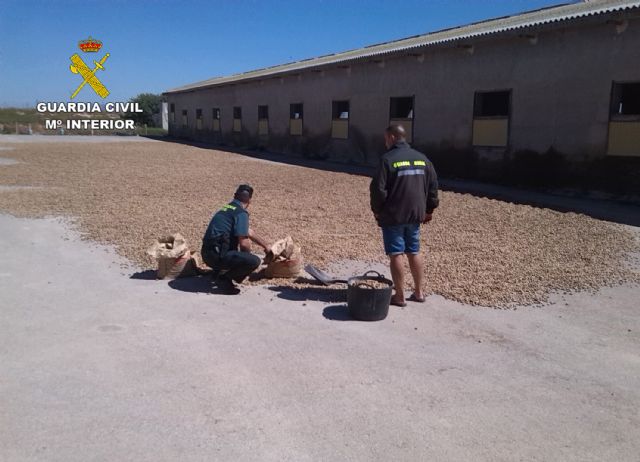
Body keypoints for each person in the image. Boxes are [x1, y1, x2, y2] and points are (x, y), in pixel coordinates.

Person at [370, 125, 439, 307]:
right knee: (414, 251)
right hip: (416, 215)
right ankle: (419, 292)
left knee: (396, 254)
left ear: (392, 137)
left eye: (386, 138)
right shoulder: (422, 159)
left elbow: (378, 190)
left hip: (394, 216)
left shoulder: (387, 160)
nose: (385, 142)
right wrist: (429, 210)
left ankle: (399, 296)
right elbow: (433, 187)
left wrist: (377, 210)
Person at [201, 184, 270, 294]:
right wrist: (246, 260)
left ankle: (218, 272)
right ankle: (225, 279)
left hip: (206, 254)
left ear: (235, 196)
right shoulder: (241, 213)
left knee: (231, 248)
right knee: (254, 261)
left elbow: (248, 231)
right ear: (249, 201)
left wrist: (266, 245)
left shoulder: (227, 208)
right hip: (217, 257)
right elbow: (244, 244)